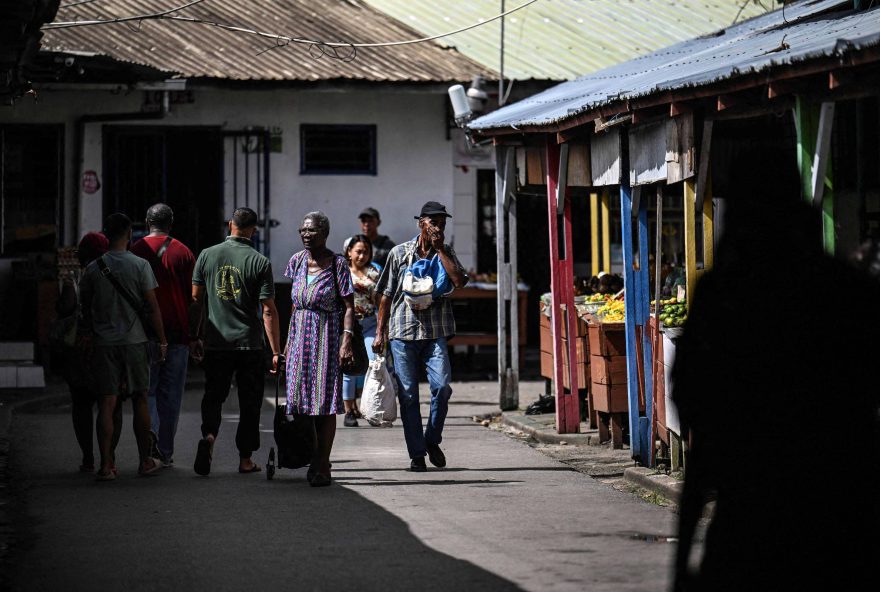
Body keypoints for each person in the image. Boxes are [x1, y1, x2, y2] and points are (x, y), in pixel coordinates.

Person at [671, 195, 880, 591]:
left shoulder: (723, 299)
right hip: (843, 530)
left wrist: (682, 563)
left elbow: (701, 430)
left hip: (748, 533)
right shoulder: (847, 292)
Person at [373, 201, 468, 471]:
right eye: (433, 222)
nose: (438, 227)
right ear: (421, 223)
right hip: (402, 333)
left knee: (441, 387)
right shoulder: (399, 253)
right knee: (409, 396)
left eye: (442, 223)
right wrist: (380, 332)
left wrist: (440, 251)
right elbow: (386, 295)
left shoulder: (446, 252)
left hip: (436, 332)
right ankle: (416, 454)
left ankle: (432, 439)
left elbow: (459, 282)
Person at [190, 207, 281, 476]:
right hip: (249, 344)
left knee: (214, 395)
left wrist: (194, 336)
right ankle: (245, 459)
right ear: (254, 229)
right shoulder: (260, 261)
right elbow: (268, 310)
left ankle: (209, 438)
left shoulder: (207, 255)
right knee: (250, 402)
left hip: (216, 342)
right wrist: (276, 350)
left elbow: (196, 300)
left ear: (230, 224)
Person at [78, 214, 167, 481]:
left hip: (105, 344)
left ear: (106, 234)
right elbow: (152, 307)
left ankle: (106, 466)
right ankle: (145, 461)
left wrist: (93, 335)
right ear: (129, 234)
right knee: (140, 398)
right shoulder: (140, 265)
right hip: (134, 342)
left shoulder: (93, 269)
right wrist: (162, 340)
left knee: (107, 402)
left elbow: (86, 309)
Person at [284, 211, 355, 487]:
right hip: (300, 336)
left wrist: (346, 340)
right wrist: (287, 344)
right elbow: (293, 305)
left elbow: (349, 306)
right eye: (302, 230)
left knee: (324, 404)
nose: (305, 234)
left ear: (324, 233)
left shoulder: (337, 265)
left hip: (327, 337)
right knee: (300, 403)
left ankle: (323, 463)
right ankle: (315, 456)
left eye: (311, 231)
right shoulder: (297, 261)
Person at [131, 204, 195, 467]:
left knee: (148, 392)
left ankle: (150, 444)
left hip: (143, 333)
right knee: (172, 396)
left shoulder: (135, 251)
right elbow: (194, 298)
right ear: (171, 223)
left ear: (147, 222)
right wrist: (195, 334)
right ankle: (164, 452)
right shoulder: (184, 252)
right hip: (178, 334)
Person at [55, 232, 121, 472]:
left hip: (80, 348)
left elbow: (65, 308)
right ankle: (109, 456)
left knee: (81, 404)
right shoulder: (114, 273)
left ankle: (88, 457)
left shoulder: (73, 277)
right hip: (109, 344)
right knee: (112, 404)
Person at [341, 234, 381, 427]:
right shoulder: (342, 272)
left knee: (373, 364)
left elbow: (381, 301)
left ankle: (367, 407)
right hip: (349, 326)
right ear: (349, 252)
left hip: (370, 323)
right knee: (348, 366)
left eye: (366, 252)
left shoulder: (375, 272)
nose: (362, 256)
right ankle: (349, 410)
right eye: (358, 251)